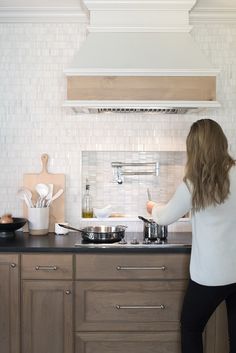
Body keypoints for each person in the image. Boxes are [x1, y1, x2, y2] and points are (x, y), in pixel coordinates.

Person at [146, 119, 236, 353]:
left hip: (210, 276)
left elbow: (164, 217)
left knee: (191, 327)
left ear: (193, 148)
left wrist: (152, 206)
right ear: (221, 143)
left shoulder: (193, 183)